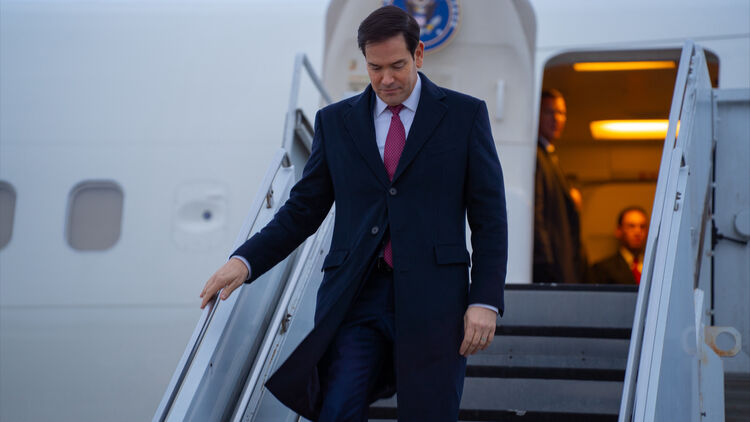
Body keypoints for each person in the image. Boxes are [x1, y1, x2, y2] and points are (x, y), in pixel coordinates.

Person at [199, 6, 508, 421]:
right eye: (375, 68)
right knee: (338, 410)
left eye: (397, 66)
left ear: (418, 55)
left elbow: (490, 219)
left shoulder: (465, 116)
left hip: (436, 300)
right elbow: (303, 210)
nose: (386, 79)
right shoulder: (335, 123)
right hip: (356, 295)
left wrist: (484, 299)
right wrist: (245, 260)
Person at [533, 89, 585, 284]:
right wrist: (546, 264)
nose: (556, 119)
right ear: (537, 115)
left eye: (561, 113)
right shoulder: (537, 157)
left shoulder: (551, 158)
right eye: (549, 112)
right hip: (550, 268)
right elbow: (537, 214)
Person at [591, 206, 648, 285]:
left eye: (642, 227)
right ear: (619, 231)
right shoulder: (602, 269)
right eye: (631, 226)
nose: (638, 232)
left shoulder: (656, 267)